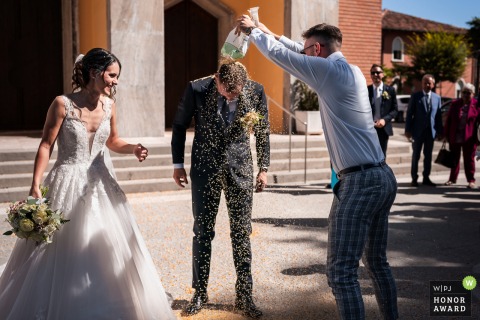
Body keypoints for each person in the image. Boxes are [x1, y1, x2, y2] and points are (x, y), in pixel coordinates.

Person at [236, 18, 398, 320]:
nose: (305, 56)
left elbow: (283, 56)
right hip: (380, 176)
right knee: (377, 263)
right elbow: (298, 49)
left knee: (341, 273)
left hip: (360, 182)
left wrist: (252, 32)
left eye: (309, 51)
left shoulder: (327, 71)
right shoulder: (349, 69)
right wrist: (268, 29)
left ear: (318, 49)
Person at [0, 48, 176, 320]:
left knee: (106, 245)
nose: (115, 81)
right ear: (94, 72)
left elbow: (113, 141)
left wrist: (133, 148)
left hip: (101, 185)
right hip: (66, 181)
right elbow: (46, 145)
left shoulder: (109, 105)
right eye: (112, 75)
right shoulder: (62, 104)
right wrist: (35, 185)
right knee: (61, 249)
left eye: (117, 76)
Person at [171, 58, 270, 318]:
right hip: (205, 170)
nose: (230, 97)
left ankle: (245, 296)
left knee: (241, 233)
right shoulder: (196, 89)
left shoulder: (255, 90)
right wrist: (178, 164)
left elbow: (262, 131)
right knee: (202, 231)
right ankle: (200, 292)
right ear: (217, 79)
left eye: (236, 93)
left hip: (240, 171)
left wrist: (264, 168)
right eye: (227, 92)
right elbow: (180, 125)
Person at [405, 74, 443, 187]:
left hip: (430, 133)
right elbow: (409, 114)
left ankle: (426, 177)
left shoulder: (437, 98)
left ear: (433, 84)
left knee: (428, 156)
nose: (427, 85)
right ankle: (414, 179)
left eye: (429, 83)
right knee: (416, 156)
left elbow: (438, 117)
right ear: (422, 84)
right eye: (425, 82)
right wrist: (407, 130)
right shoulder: (416, 96)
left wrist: (440, 131)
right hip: (417, 132)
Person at [443, 83, 479, 188]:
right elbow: (448, 120)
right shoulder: (455, 104)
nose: (465, 95)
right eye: (464, 92)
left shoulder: (476, 105)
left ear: (473, 94)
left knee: (469, 160)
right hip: (455, 136)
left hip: (470, 138)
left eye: (468, 93)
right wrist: (446, 134)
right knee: (454, 159)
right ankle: (452, 179)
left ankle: (471, 180)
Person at [368, 64, 398, 158]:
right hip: (369, 128)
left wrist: (385, 120)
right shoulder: (366, 90)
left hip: (383, 128)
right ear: (371, 75)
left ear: (383, 74)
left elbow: (395, 110)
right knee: (370, 156)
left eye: (378, 72)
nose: (376, 74)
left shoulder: (390, 90)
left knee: (382, 156)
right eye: (373, 73)